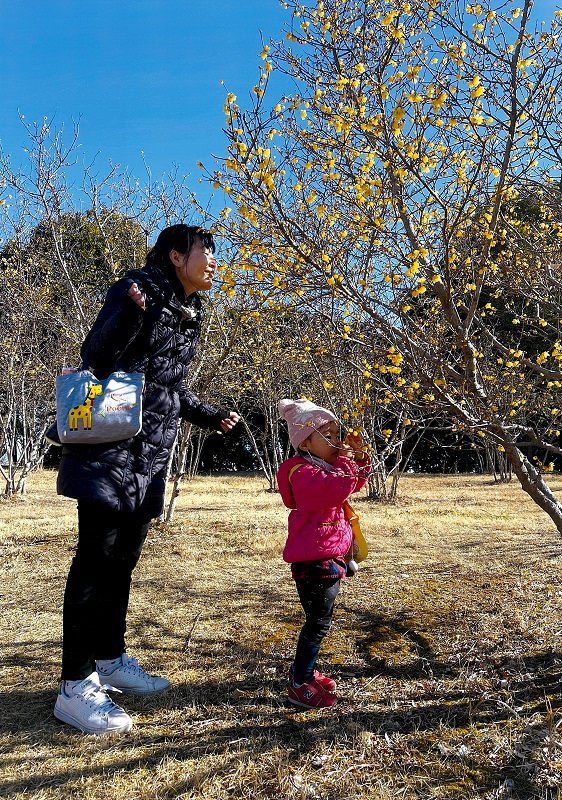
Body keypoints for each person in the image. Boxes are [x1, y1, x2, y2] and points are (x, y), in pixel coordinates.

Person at [54, 224, 239, 735]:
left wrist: (207, 414)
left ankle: (110, 660)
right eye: (207, 251)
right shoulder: (138, 290)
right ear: (177, 256)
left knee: (122, 562)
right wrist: (132, 315)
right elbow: (98, 358)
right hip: (111, 450)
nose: (214, 261)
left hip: (149, 455)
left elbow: (164, 386)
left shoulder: (188, 312)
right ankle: (74, 686)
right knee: (95, 560)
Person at [277, 398, 371, 709]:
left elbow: (353, 484)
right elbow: (338, 487)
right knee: (318, 621)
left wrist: (359, 457)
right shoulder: (302, 472)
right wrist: (346, 462)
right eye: (326, 434)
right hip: (314, 561)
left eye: (336, 431)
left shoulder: (324, 467)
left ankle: (303, 672)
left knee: (320, 619)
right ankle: (300, 682)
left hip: (328, 556)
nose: (335, 440)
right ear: (305, 442)